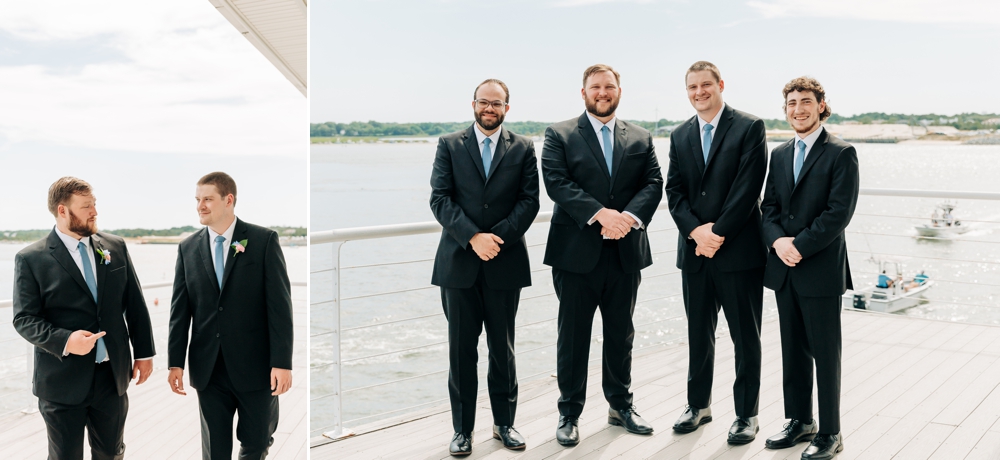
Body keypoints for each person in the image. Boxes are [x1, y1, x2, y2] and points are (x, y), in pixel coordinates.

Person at [542, 64, 663, 446]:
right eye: (595, 87)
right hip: (576, 253)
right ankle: (569, 413)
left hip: (625, 251)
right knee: (573, 336)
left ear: (619, 90)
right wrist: (601, 215)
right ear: (584, 92)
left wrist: (626, 218)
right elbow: (557, 182)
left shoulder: (641, 137)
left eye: (609, 86)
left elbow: (654, 183)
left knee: (620, 334)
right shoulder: (559, 134)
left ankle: (620, 406)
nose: (602, 92)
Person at [429, 79, 540, 456]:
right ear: (473, 104)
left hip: (505, 262)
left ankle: (504, 424)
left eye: (497, 103)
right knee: (461, 351)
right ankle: (462, 431)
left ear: (507, 107)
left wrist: (498, 239)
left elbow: (529, 202)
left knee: (502, 348)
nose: (489, 108)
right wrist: (473, 237)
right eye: (484, 102)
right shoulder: (449, 145)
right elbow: (440, 199)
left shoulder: (523, 147)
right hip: (459, 263)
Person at [13, 176, 155, 459]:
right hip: (61, 382)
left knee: (111, 454)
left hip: (111, 378)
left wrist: (144, 353)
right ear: (63, 210)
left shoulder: (115, 246)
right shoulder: (31, 258)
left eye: (94, 204)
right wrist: (66, 340)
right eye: (86, 206)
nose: (94, 212)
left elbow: (135, 304)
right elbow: (25, 319)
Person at [664, 61, 768, 444]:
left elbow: (747, 189)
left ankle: (747, 414)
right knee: (698, 335)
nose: (699, 92)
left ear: (720, 85)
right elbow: (674, 192)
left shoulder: (749, 127)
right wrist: (695, 232)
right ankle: (698, 405)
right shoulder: (679, 135)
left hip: (738, 252)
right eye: (692, 86)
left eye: (706, 84)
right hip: (694, 253)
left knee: (745, 337)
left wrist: (717, 233)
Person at [760, 77, 859, 460]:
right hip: (784, 268)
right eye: (791, 103)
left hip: (819, 269)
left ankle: (831, 432)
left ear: (821, 105)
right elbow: (768, 208)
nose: (797, 109)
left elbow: (838, 213)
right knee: (793, 351)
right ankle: (800, 421)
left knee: (825, 353)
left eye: (805, 102)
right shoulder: (780, 153)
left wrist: (798, 246)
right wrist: (777, 242)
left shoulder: (841, 152)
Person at [168, 172, 294, 459]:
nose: (201, 206)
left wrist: (282, 363)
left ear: (229, 200)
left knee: (257, 444)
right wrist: (175, 363)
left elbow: (280, 308)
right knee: (215, 452)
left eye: (208, 199)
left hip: (257, 367)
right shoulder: (187, 248)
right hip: (208, 369)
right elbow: (179, 311)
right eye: (198, 200)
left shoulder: (263, 241)